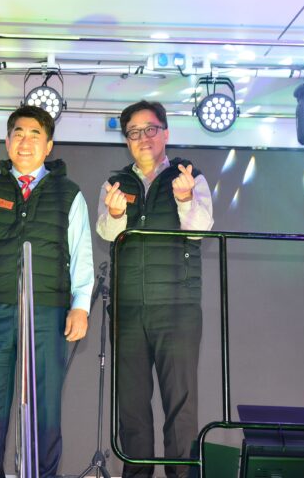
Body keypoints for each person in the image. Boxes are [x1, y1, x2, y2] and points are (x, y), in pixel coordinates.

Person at [0, 104, 94, 478]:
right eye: (18, 133)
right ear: (7, 141)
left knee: (44, 406)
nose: (25, 141)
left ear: (48, 145)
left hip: (48, 310)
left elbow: (81, 253)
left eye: (35, 134)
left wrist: (80, 306)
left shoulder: (69, 193)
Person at [96, 100, 214, 478]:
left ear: (165, 132)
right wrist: (115, 214)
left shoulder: (188, 175)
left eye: (150, 129)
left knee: (180, 405)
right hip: (129, 309)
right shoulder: (115, 183)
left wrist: (183, 199)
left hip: (177, 307)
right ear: (126, 140)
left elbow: (199, 230)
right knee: (131, 406)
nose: (143, 138)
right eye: (134, 132)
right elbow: (108, 234)